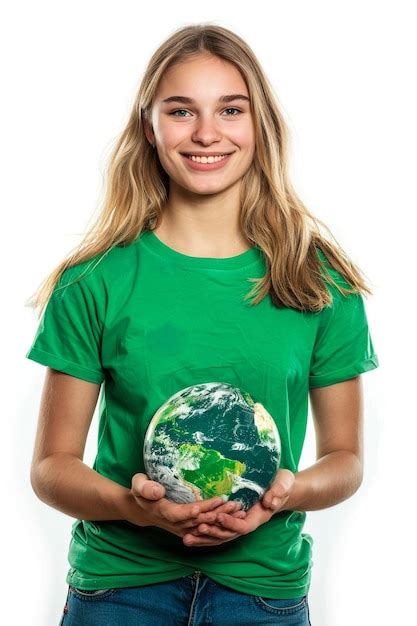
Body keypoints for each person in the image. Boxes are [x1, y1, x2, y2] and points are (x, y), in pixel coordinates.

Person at [25, 23, 379, 626]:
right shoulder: (95, 281)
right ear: (150, 126)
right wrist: (136, 510)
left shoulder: (319, 280)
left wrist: (284, 496)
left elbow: (345, 458)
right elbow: (51, 467)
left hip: (262, 592)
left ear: (258, 124)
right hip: (121, 592)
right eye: (182, 110)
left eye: (231, 110)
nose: (207, 133)